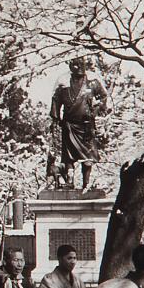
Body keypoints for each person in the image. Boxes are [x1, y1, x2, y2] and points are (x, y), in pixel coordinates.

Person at [49, 56, 108, 190]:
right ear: (70, 66)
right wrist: (56, 118)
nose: (79, 67)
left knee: (88, 154)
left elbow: (103, 97)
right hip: (69, 125)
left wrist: (96, 109)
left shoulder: (93, 82)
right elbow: (55, 100)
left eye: (81, 64)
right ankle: (69, 181)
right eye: (75, 64)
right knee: (68, 156)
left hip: (86, 124)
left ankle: (86, 183)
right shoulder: (63, 83)